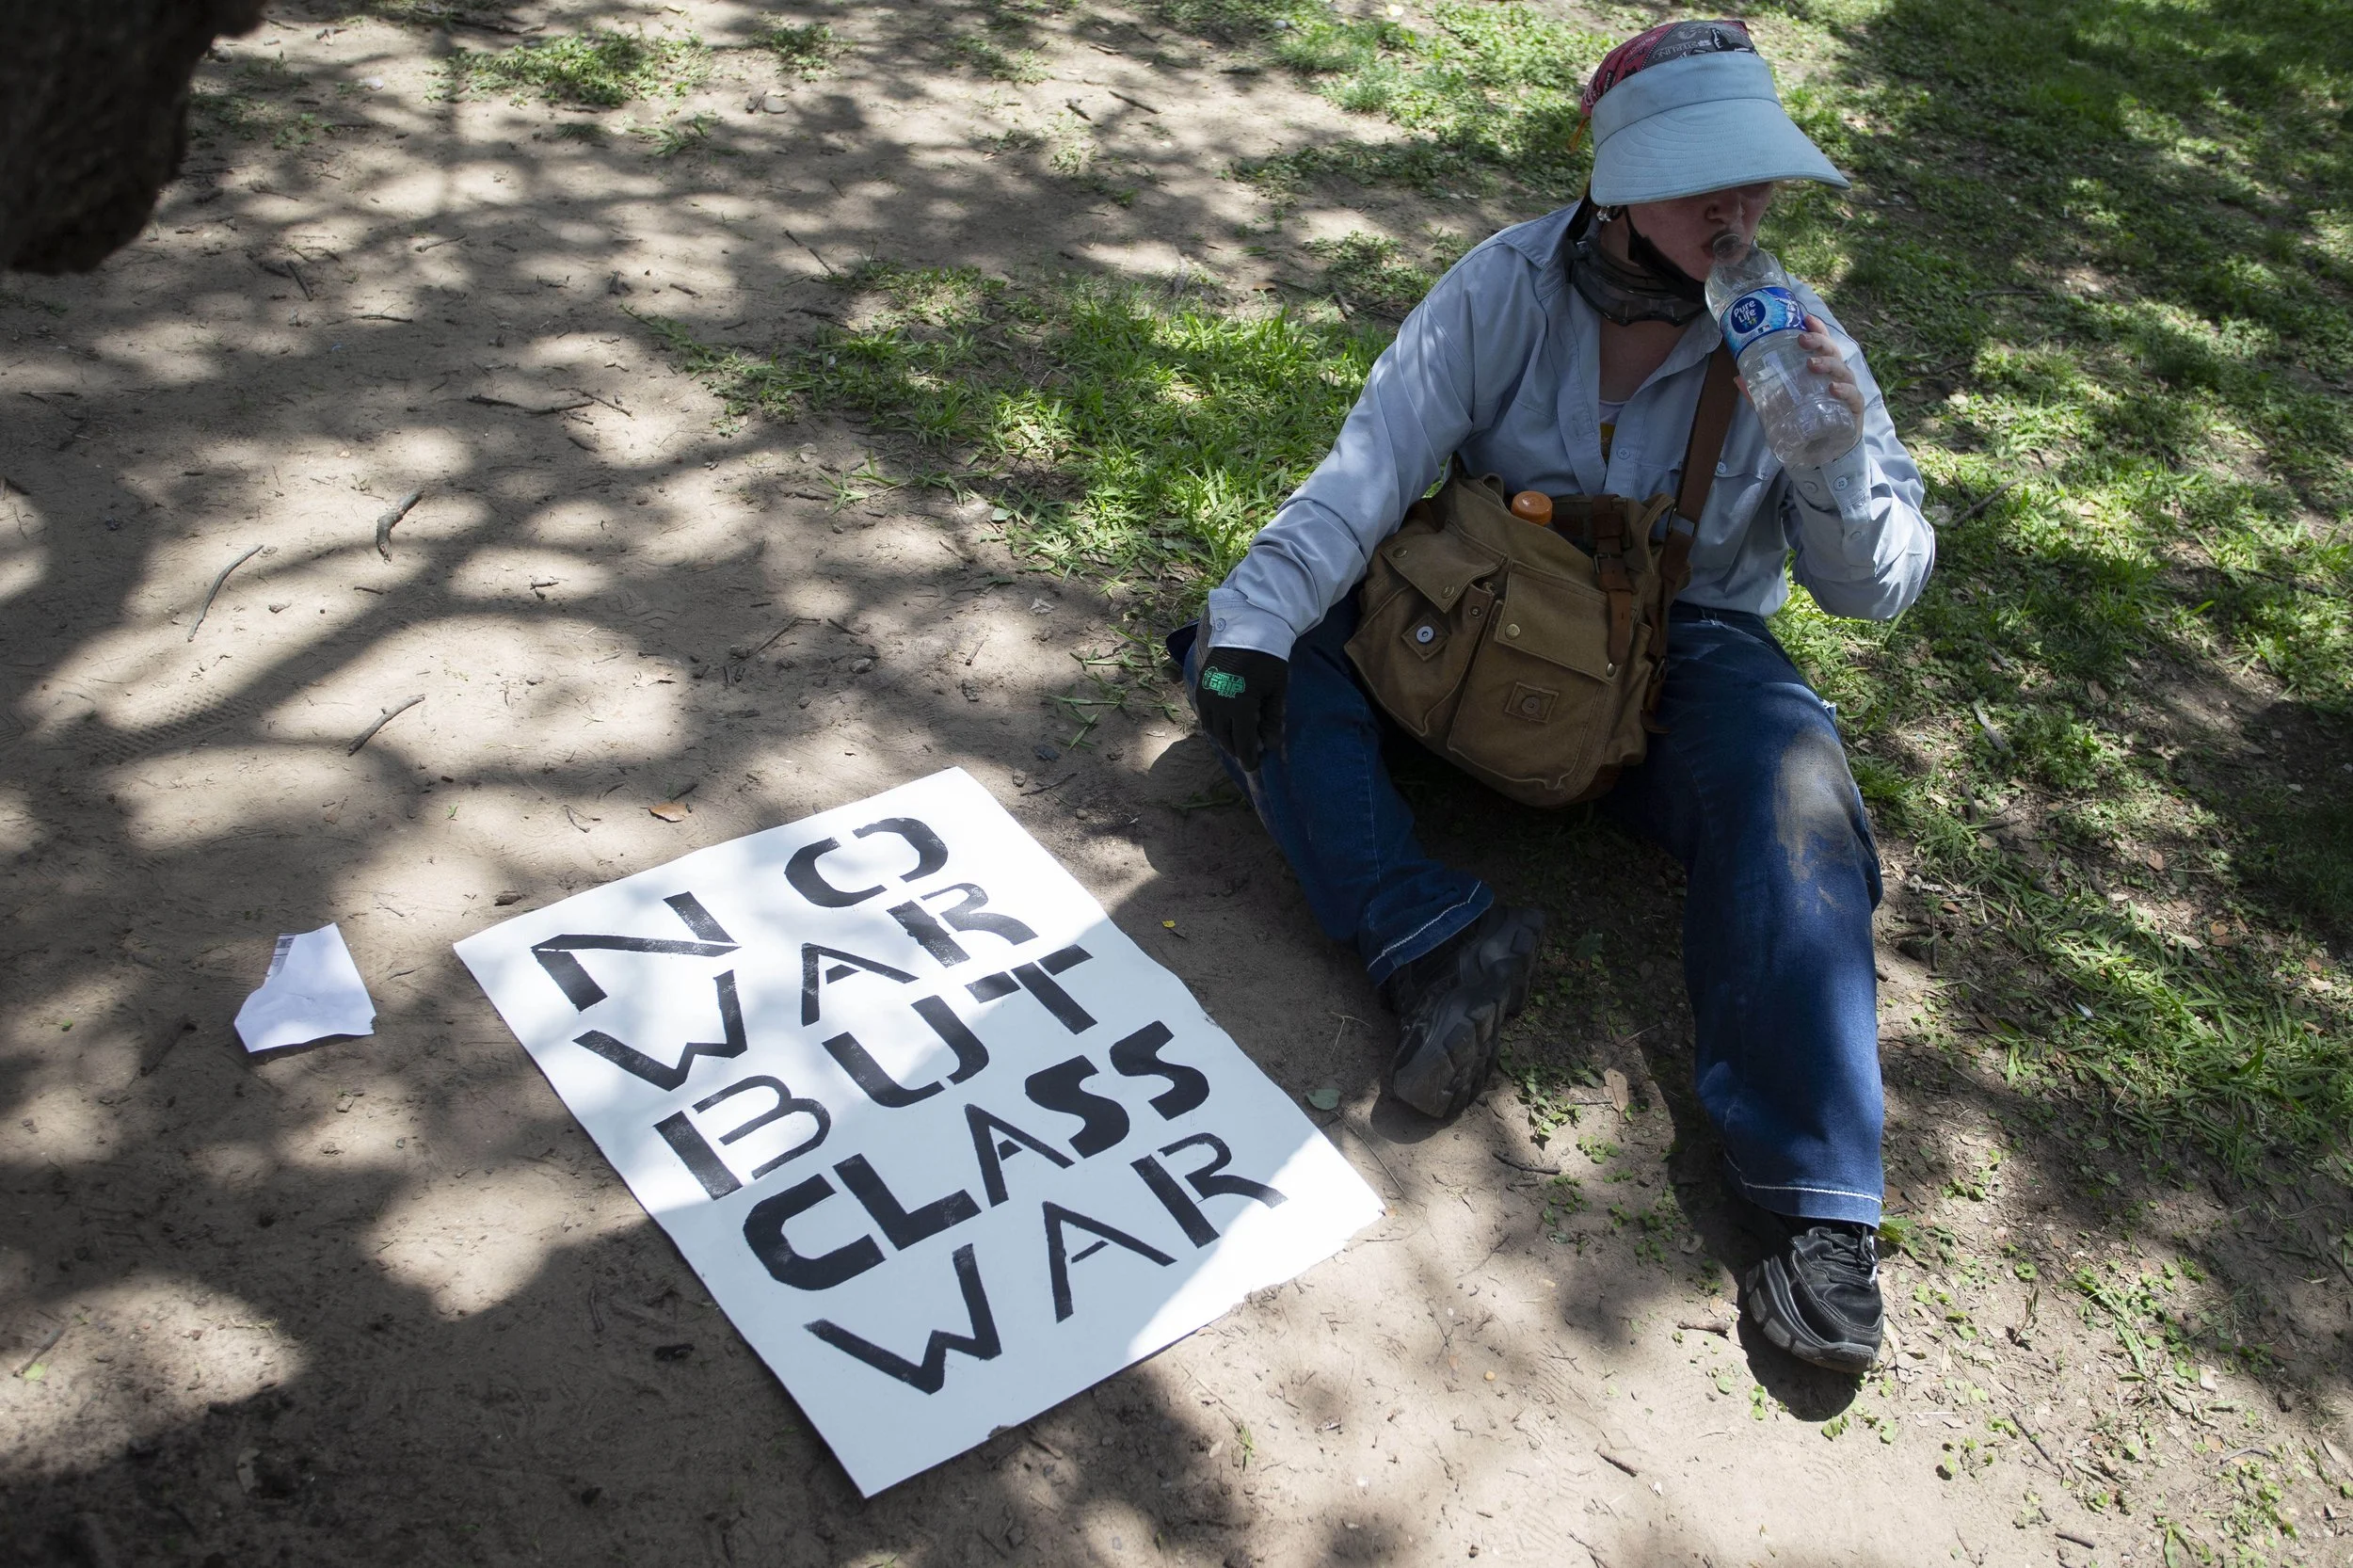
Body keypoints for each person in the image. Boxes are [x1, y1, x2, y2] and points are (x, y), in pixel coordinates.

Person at [1176, 20, 1933, 1374]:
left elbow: (1877, 588)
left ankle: (1812, 1196)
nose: (1736, 208)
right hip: (1478, 616)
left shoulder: (1800, 338)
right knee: (1252, 654)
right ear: (1618, 176)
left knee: (1800, 797)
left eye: (1756, 181)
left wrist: (1829, 459)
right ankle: (1434, 936)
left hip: (1678, 654)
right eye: (1704, 176)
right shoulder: (1503, 288)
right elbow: (1368, 470)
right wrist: (1252, 624)